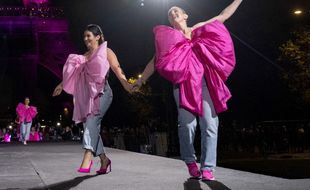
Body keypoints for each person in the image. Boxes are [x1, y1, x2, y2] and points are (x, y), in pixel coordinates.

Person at [133, 0, 243, 180]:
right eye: (170, 13)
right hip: (183, 84)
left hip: (205, 83)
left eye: (176, 10)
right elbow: (154, 62)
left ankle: (208, 168)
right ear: (170, 21)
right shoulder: (170, 39)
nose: (173, 13)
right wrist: (141, 81)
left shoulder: (198, 29)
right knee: (187, 125)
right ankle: (191, 162)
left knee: (210, 123)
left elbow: (222, 16)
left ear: (185, 16)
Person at [53, 24, 132, 174]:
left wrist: (126, 84)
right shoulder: (83, 57)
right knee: (91, 126)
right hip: (87, 96)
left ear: (98, 36)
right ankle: (104, 159)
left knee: (91, 122)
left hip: (103, 93)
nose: (85, 39)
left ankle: (88, 155)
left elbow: (117, 68)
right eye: (84, 36)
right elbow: (74, 74)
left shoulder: (106, 51)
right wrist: (61, 84)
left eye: (89, 35)